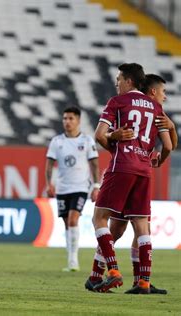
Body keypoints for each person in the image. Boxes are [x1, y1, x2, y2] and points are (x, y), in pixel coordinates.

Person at [86, 74, 177, 294]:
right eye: (163, 92)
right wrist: (159, 155)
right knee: (132, 227)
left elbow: (101, 135)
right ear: (152, 91)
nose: (165, 96)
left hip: (123, 168)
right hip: (142, 171)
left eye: (119, 79)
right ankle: (136, 280)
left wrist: (114, 142)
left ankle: (110, 274)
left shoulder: (124, 104)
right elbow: (169, 146)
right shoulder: (155, 109)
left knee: (112, 225)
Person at [45, 107, 100, 272]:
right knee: (66, 224)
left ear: (78, 120)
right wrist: (49, 184)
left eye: (70, 118)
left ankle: (73, 260)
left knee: (73, 220)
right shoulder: (57, 141)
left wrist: (96, 186)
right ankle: (70, 257)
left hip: (81, 187)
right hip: (62, 188)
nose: (67, 122)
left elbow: (95, 165)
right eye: (65, 119)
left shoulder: (87, 141)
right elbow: (49, 165)